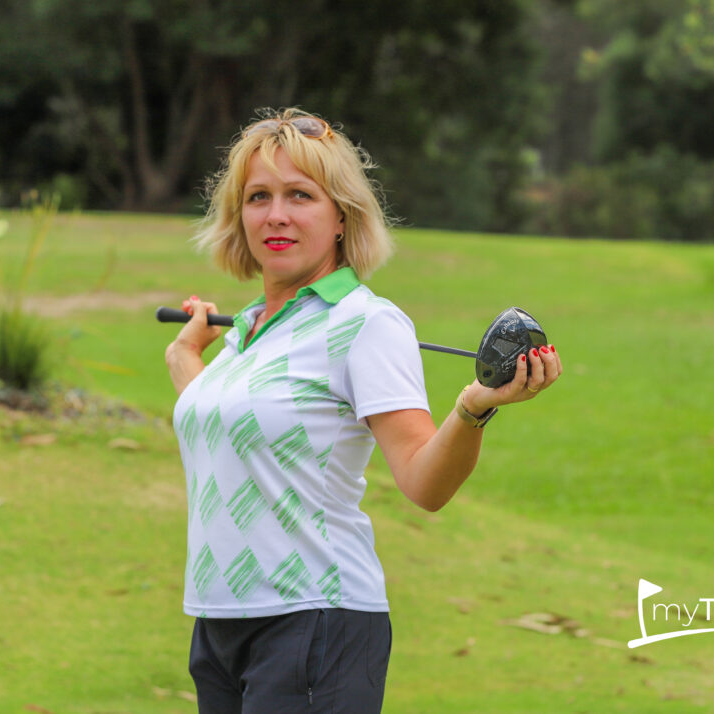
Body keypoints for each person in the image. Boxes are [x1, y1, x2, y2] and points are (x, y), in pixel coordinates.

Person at [164, 108, 562, 713]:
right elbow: (230, 433)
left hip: (315, 619)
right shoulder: (245, 331)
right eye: (258, 197)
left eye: (300, 195)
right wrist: (187, 361)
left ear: (342, 216)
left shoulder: (366, 324)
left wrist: (473, 406)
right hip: (219, 622)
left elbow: (424, 482)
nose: (276, 215)